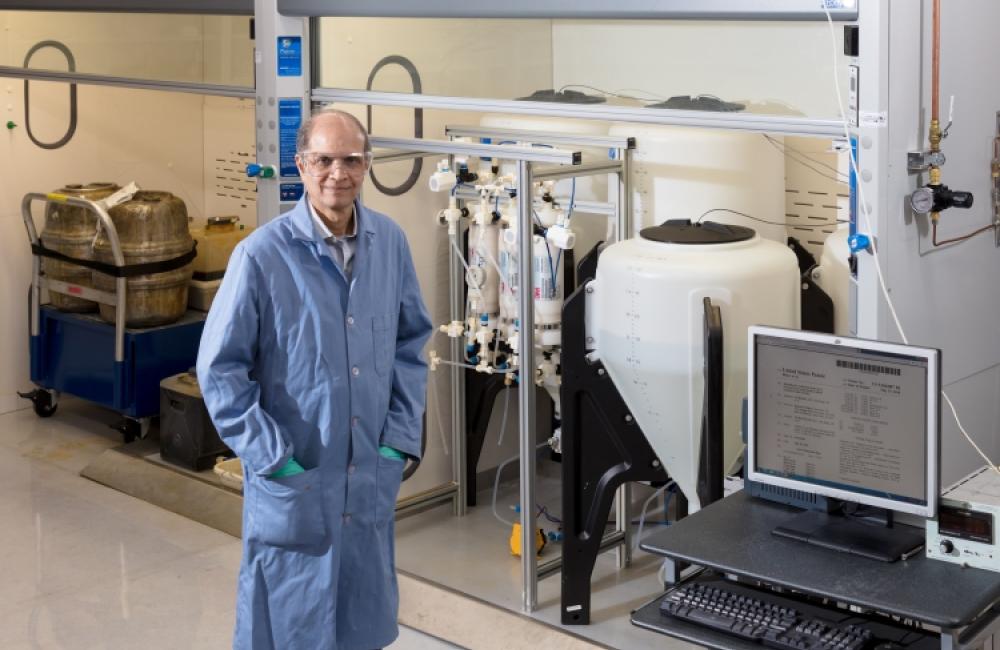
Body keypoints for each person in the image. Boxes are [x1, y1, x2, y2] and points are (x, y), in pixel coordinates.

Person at [197, 108, 433, 650]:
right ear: (301, 165)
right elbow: (220, 368)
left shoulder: (390, 244)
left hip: (368, 473)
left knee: (361, 620)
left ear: (367, 165)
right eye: (324, 160)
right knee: (287, 624)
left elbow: (410, 345)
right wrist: (273, 458)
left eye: (351, 160)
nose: (338, 173)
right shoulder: (261, 255)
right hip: (294, 478)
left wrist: (398, 440)